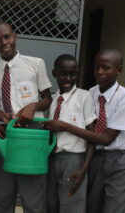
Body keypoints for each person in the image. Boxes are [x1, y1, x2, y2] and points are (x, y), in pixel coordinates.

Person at [43, 48, 125, 213]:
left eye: (105, 68)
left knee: (116, 208)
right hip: (96, 157)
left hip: (119, 159)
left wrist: (65, 126)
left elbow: (107, 138)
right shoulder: (90, 93)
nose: (99, 72)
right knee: (92, 206)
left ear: (119, 70)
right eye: (96, 67)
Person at [0, 22, 52, 213]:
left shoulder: (35, 64)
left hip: (32, 136)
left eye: (6, 37)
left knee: (33, 199)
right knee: (4, 197)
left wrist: (33, 105)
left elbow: (47, 98)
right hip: (6, 137)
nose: (3, 42)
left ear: (15, 36)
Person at [45, 54, 97, 213]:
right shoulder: (53, 100)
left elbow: (91, 137)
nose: (68, 78)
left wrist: (84, 169)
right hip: (52, 159)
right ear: (54, 73)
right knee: (50, 202)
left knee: (71, 204)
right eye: (63, 74)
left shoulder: (84, 97)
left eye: (73, 74)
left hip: (74, 159)